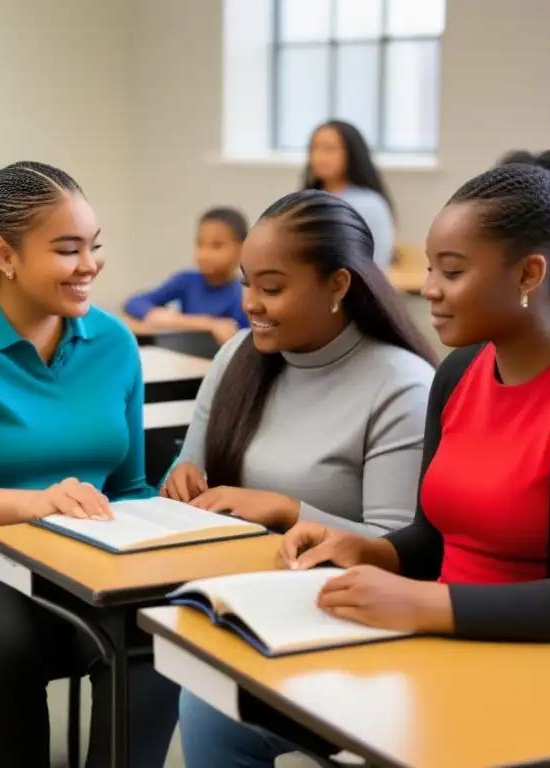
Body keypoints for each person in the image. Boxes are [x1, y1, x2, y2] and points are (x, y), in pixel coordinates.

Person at [190, 149, 550, 767]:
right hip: (440, 640)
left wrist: (421, 602)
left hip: (541, 664)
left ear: (529, 274)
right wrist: (371, 550)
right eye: (433, 268)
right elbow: (434, 537)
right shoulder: (462, 372)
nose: (430, 290)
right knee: (216, 709)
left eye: (453, 272)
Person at [0, 161, 179, 768]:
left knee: (157, 633)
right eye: (68, 249)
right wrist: (36, 502)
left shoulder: (115, 342)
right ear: (5, 255)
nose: (90, 265)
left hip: (76, 555)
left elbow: (127, 485)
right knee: (0, 649)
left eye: (94, 247)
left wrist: (170, 522)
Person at [171, 189, 437, 766]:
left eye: (271, 288)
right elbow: (186, 475)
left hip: (351, 620)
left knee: (210, 700)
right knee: (204, 700)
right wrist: (181, 478)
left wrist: (287, 510)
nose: (250, 304)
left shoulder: (400, 384)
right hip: (242, 604)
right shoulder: (239, 356)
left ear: (338, 285)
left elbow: (398, 549)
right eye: (246, 283)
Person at [123, 207, 249, 344]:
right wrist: (209, 323)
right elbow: (134, 302)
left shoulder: (242, 294)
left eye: (216, 245)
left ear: (242, 249)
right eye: (200, 244)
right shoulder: (186, 281)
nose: (204, 254)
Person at [304, 120, 395, 269]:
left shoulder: (370, 204)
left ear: (351, 153)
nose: (319, 156)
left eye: (330, 149)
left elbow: (377, 262)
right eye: (314, 148)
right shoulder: (305, 202)